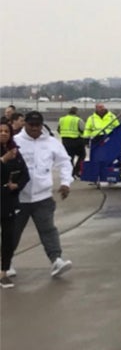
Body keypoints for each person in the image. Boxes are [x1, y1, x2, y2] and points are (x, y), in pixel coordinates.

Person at [11, 111, 73, 278]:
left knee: (48, 230)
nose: (34, 128)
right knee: (13, 231)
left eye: (37, 125)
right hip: (18, 197)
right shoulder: (15, 142)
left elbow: (65, 162)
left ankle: (56, 260)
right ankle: (6, 262)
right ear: (25, 124)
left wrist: (66, 182)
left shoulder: (52, 142)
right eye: (31, 125)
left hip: (42, 196)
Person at [1, 121, 30, 287]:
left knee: (8, 237)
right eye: (1, 131)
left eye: (7, 131)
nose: (4, 134)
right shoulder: (7, 155)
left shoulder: (14, 152)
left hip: (9, 200)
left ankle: (3, 271)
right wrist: (3, 160)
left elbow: (25, 174)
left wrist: (17, 185)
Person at [58, 105, 86, 178]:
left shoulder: (62, 119)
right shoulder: (78, 119)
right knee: (82, 155)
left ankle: (71, 172)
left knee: (70, 157)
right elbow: (83, 129)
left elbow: (59, 130)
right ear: (76, 112)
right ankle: (77, 170)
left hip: (65, 141)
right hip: (77, 140)